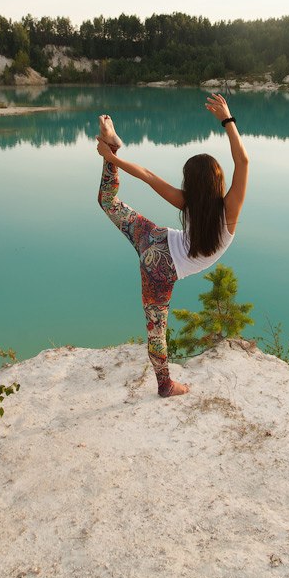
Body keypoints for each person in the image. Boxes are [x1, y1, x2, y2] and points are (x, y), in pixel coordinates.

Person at [95, 93, 249, 397]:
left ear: (190, 184)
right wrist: (227, 120)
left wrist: (112, 158)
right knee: (156, 329)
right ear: (218, 182)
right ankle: (165, 385)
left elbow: (150, 177)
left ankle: (113, 143)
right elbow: (242, 160)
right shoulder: (230, 209)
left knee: (108, 201)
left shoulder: (188, 202)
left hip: (153, 238)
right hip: (162, 270)